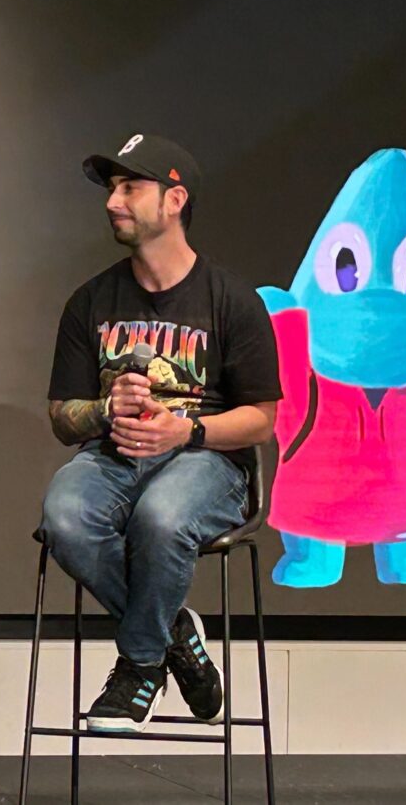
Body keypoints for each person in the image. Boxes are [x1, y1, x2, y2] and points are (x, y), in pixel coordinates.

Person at [40, 133, 281, 732]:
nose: (112, 202)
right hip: (115, 455)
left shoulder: (231, 299)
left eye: (129, 187)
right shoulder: (90, 301)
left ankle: (140, 665)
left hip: (207, 461)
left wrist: (186, 431)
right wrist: (103, 410)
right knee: (65, 517)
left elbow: (263, 420)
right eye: (111, 189)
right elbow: (61, 416)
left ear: (175, 200)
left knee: (162, 517)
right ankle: (172, 634)